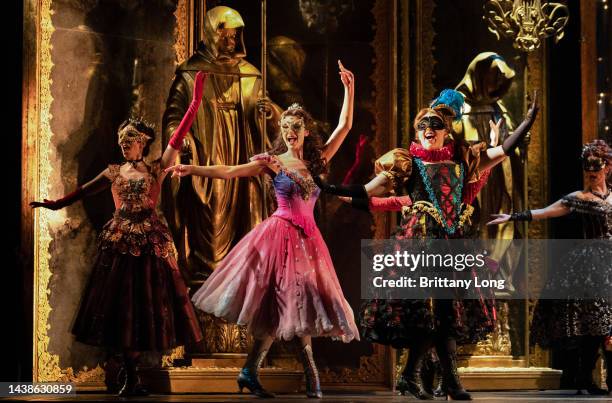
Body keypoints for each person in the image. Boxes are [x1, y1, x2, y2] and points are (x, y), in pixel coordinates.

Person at [317, 89, 538, 400]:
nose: (428, 130)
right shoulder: (406, 164)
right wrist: (328, 187)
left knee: (444, 315)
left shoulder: (463, 161)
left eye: (434, 125)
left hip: (451, 245)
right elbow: (367, 191)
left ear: (447, 130)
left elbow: (503, 150)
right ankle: (444, 381)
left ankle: (419, 377)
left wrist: (527, 121)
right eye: (422, 126)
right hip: (419, 246)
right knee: (431, 316)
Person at [164, 61, 359, 399]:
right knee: (284, 304)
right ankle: (308, 375)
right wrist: (191, 167)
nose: (290, 132)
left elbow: (343, 128)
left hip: (309, 241)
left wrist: (349, 89)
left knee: (288, 308)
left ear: (306, 130)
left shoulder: (315, 163)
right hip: (279, 239)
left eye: (295, 126)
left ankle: (250, 371)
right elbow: (228, 171)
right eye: (286, 127)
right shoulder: (273, 162)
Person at [30, 72, 209, 397]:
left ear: (143, 142)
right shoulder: (113, 172)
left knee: (146, 306)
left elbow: (178, 137)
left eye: (130, 139)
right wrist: (52, 205)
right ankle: (126, 373)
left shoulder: (157, 167)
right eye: (121, 140)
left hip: (150, 241)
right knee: (122, 306)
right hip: (121, 241)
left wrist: (195, 101)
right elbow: (82, 191)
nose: (125, 144)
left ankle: (134, 374)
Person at [162, 6, 282, 281]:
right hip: (208, 152)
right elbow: (173, 118)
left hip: (243, 150)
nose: (230, 42)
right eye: (224, 36)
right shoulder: (190, 73)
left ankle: (243, 280)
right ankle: (209, 278)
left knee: (249, 212)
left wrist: (269, 111)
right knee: (212, 215)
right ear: (209, 34)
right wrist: (186, 140)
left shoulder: (250, 73)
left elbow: (271, 116)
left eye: (234, 37)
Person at [488, 139, 612, 395]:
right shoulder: (579, 198)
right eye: (587, 167)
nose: (591, 172)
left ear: (607, 168)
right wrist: (513, 216)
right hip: (591, 267)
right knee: (595, 325)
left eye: (596, 167)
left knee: (609, 326)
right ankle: (585, 378)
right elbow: (546, 211)